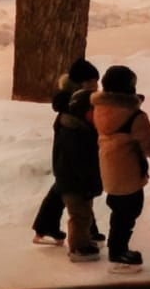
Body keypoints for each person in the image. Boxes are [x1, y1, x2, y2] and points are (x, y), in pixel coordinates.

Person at [93, 64, 150, 272]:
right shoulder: (134, 117)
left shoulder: (101, 110)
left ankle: (116, 246)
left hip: (109, 170)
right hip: (128, 174)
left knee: (119, 211)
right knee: (129, 211)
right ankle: (118, 250)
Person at [32, 58, 103, 247]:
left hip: (69, 156)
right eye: (92, 81)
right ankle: (79, 235)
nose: (96, 85)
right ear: (81, 83)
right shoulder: (74, 103)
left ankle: (49, 227)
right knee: (74, 190)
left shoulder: (78, 99)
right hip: (71, 153)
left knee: (69, 189)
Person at [53, 62, 105, 263]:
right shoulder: (73, 120)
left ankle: (84, 240)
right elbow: (77, 154)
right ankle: (78, 247)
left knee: (83, 210)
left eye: (96, 80)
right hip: (72, 174)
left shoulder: (78, 109)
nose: (96, 84)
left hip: (73, 173)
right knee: (79, 213)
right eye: (91, 80)